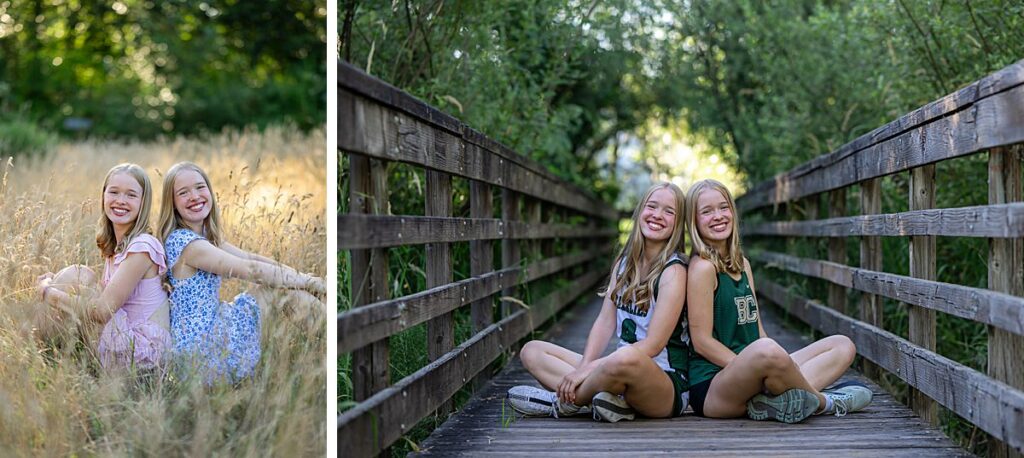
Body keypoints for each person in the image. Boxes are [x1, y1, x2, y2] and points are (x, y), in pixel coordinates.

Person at [685, 179, 872, 423]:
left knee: (842, 344)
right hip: (715, 386)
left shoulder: (742, 264)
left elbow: (759, 331)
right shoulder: (702, 268)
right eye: (706, 211)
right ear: (694, 222)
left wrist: (780, 365)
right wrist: (759, 366)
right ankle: (825, 402)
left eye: (723, 207)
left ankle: (774, 399)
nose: (718, 216)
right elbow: (701, 343)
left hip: (759, 369)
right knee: (767, 351)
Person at [506, 182, 691, 422]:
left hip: (665, 384)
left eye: (669, 211)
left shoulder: (674, 272)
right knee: (532, 351)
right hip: (616, 371)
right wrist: (585, 366)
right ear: (639, 212)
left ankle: (560, 403)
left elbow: (653, 345)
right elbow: (605, 322)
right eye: (652, 206)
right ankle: (610, 402)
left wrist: (587, 372)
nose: (657, 215)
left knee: (626, 357)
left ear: (678, 224)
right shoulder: (625, 263)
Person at [157, 161, 325, 383]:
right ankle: (338, 341)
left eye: (200, 187)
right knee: (278, 291)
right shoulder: (187, 244)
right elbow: (250, 270)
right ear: (173, 204)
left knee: (285, 288)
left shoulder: (205, 238)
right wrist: (310, 282)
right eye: (183, 192)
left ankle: (332, 344)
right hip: (203, 352)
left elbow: (251, 258)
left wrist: (306, 279)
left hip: (212, 333)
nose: (194, 196)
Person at [35, 163, 172, 370]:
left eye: (131, 195)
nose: (120, 201)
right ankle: (44, 352)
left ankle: (39, 354)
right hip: (122, 333)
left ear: (143, 202)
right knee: (81, 276)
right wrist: (59, 282)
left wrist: (48, 292)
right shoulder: (117, 245)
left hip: (142, 352)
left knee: (72, 280)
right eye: (114, 192)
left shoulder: (143, 246)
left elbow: (101, 312)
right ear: (104, 196)